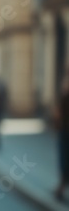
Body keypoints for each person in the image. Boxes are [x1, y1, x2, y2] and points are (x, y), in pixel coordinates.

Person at [54, 66, 69, 201]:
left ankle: (61, 188)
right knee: (64, 160)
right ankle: (61, 187)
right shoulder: (65, 92)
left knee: (65, 160)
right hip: (64, 130)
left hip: (65, 131)